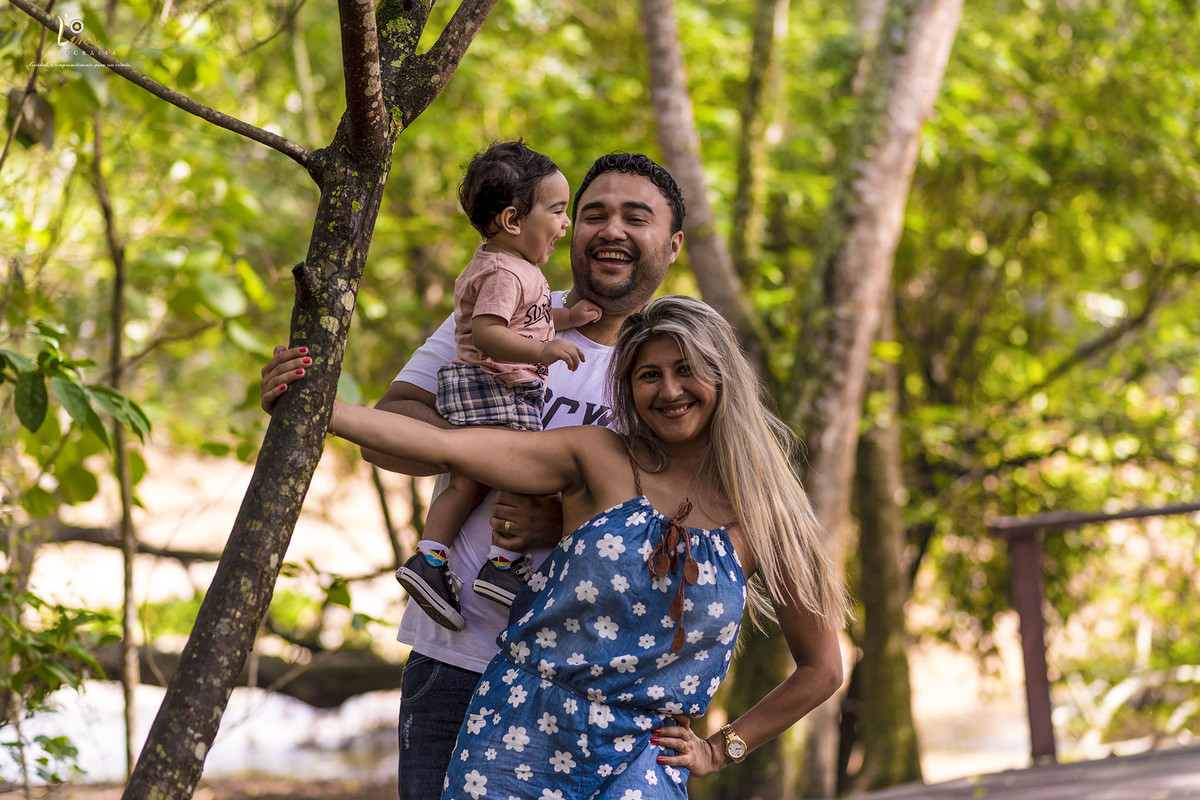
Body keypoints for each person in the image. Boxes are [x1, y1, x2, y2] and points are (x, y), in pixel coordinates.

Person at [264, 296, 849, 799]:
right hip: (518, 734)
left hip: (642, 762)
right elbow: (446, 447)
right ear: (628, 387)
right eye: (649, 375)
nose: (669, 390)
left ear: (723, 377)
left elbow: (821, 668)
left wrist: (721, 751)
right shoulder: (598, 456)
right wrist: (317, 407)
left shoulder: (765, 511)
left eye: (687, 370)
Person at [263, 153, 690, 800]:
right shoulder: (509, 305)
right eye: (593, 213)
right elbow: (395, 427)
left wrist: (567, 515)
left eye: (637, 217)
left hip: (594, 674)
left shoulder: (677, 363)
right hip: (457, 659)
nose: (611, 230)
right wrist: (484, 458)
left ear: (673, 244)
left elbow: (696, 513)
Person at [394, 140, 602, 632]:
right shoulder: (503, 271)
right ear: (513, 220)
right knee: (512, 469)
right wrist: (542, 351)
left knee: (478, 479)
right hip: (491, 385)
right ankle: (491, 563)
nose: (565, 222)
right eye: (557, 211)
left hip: (498, 385)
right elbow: (490, 333)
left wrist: (566, 318)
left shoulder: (517, 271)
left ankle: (445, 558)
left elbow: (526, 319)